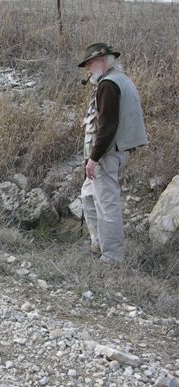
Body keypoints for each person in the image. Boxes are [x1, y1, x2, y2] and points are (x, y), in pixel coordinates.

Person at [78, 43, 148, 264]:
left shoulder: (109, 85)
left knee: (107, 204)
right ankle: (98, 244)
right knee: (88, 196)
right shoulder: (119, 79)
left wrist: (94, 158)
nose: (88, 68)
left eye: (90, 63)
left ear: (104, 61)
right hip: (113, 151)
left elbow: (108, 126)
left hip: (107, 154)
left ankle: (112, 258)